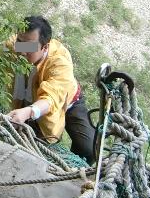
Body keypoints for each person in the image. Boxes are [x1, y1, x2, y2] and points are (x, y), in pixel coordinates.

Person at [6, 15, 96, 164]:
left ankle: (71, 172)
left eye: (29, 47)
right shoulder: (14, 46)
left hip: (68, 101)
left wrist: (28, 111)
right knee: (31, 145)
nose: (22, 51)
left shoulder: (60, 62)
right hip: (32, 95)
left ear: (45, 47)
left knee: (88, 149)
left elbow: (51, 98)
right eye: (20, 43)